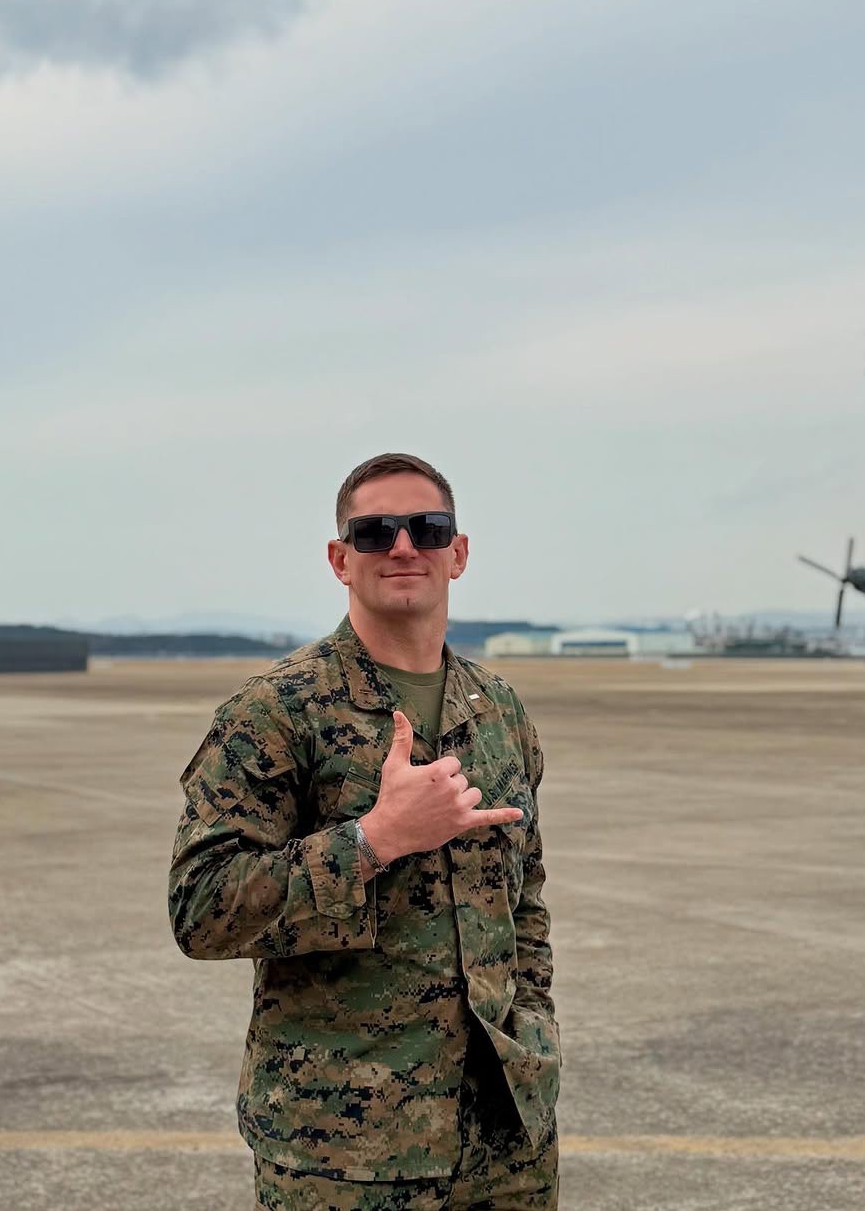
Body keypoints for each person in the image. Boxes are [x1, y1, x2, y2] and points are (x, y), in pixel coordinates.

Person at [169, 452, 560, 1209]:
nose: (404, 547)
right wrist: (372, 841)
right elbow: (200, 909)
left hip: (508, 1143)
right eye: (375, 532)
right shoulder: (277, 712)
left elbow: (527, 902)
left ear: (459, 553)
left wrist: (536, 1031)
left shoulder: (500, 711)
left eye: (428, 528)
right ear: (340, 560)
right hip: (344, 1153)